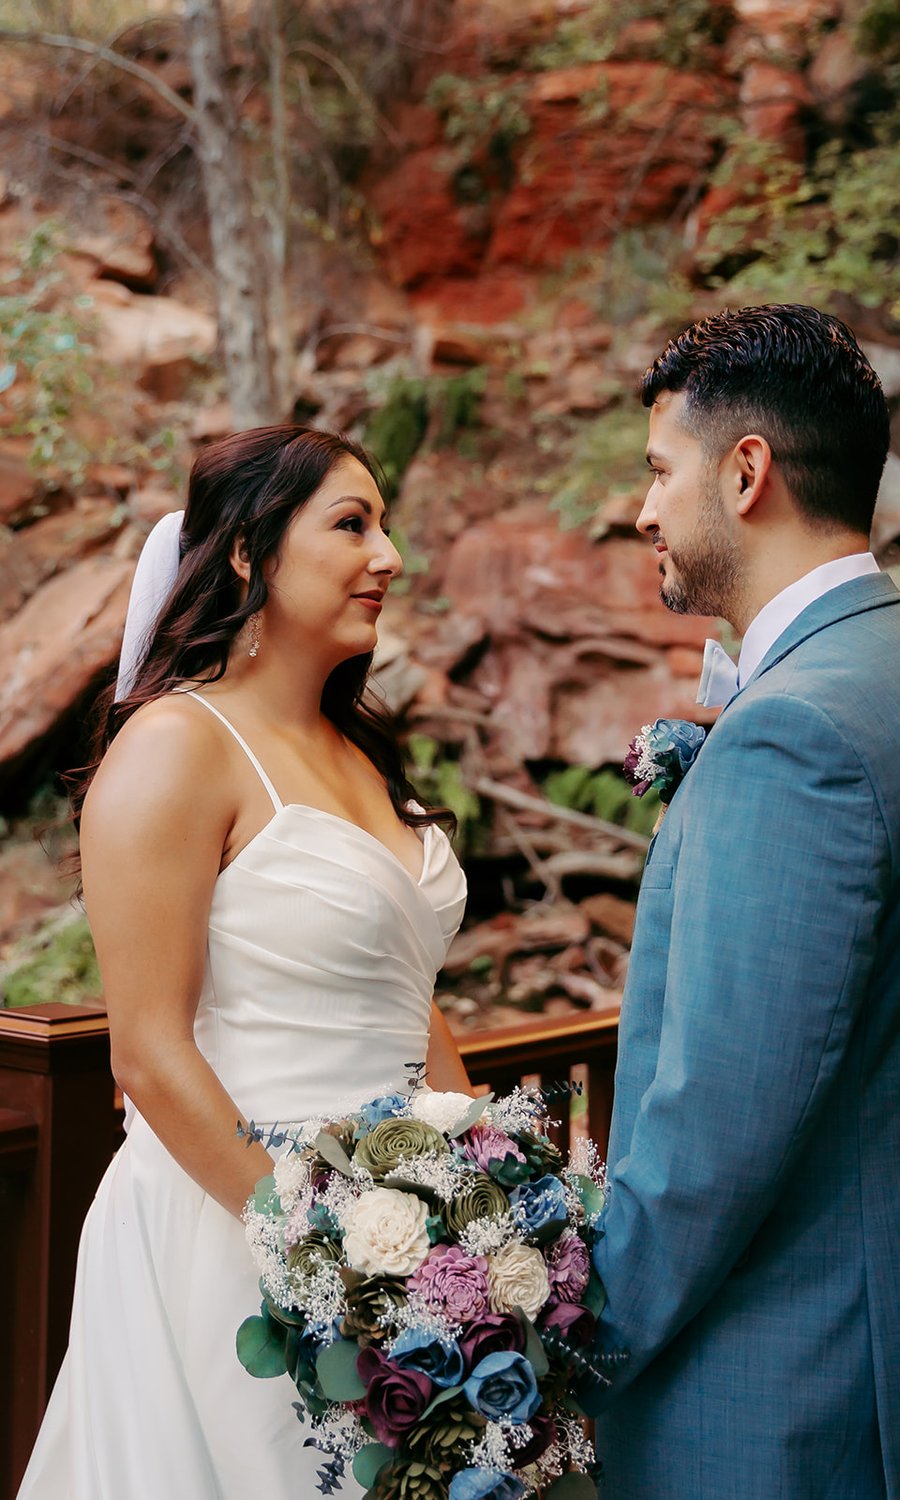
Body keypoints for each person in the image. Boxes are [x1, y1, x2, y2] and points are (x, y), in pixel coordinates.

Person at [589, 305, 900, 1498]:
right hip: (897, 1360)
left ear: (747, 471)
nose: (644, 509)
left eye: (661, 471)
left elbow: (715, 1133)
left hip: (781, 1399)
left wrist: (570, 1342)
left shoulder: (795, 731)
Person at [17, 425, 470, 1500]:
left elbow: (411, 1004)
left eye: (387, 525)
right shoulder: (176, 745)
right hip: (239, 1228)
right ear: (245, 553)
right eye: (351, 524)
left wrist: (477, 1209)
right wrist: (317, 1254)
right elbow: (150, 1050)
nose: (389, 555)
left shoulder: (359, 750)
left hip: (402, 1231)